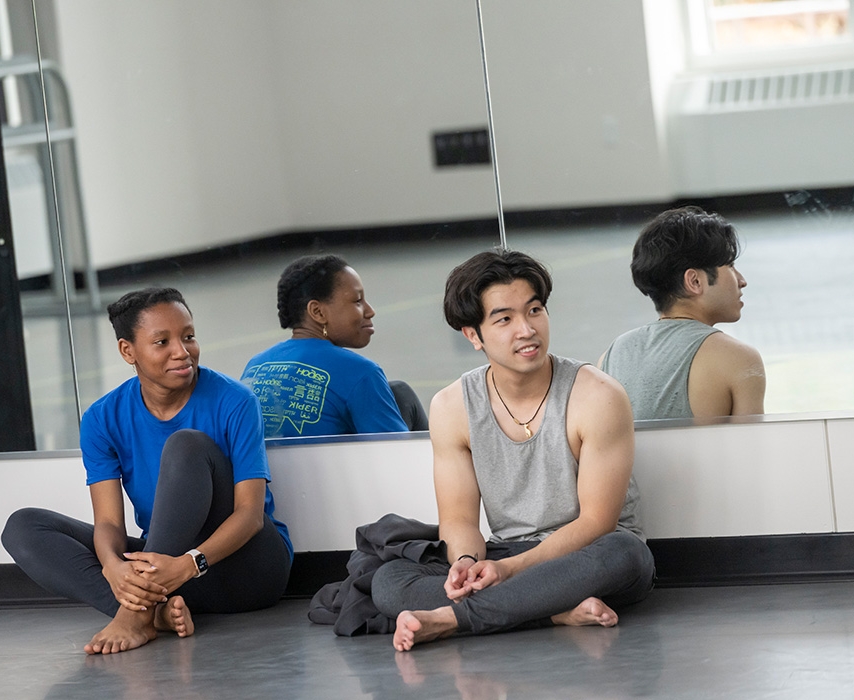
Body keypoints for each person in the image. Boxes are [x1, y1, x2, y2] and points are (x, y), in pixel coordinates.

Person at [370, 249, 654, 651]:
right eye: (504, 319)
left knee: (626, 554)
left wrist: (508, 570)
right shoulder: (452, 406)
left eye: (535, 310)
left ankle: (451, 619)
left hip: (586, 555)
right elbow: (458, 519)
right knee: (389, 581)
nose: (527, 329)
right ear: (473, 335)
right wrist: (467, 564)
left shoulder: (598, 395)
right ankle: (553, 612)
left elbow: (598, 522)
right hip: (509, 552)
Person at [1, 287, 292, 655]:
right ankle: (155, 615)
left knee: (187, 445)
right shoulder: (102, 418)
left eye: (188, 336)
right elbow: (109, 524)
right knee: (24, 526)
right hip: (167, 571)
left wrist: (188, 564)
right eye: (162, 341)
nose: (182, 351)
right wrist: (112, 567)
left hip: (246, 567)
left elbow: (250, 516)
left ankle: (135, 616)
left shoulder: (235, 401)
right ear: (128, 351)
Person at [600, 206, 766, 420]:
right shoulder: (739, 359)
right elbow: (753, 449)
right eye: (731, 266)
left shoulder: (611, 357)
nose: (742, 280)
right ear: (695, 281)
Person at [241, 254, 428, 437]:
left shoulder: (255, 366)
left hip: (265, 469)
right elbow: (395, 456)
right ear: (318, 312)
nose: (370, 311)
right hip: (333, 468)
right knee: (400, 393)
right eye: (357, 301)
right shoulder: (360, 372)